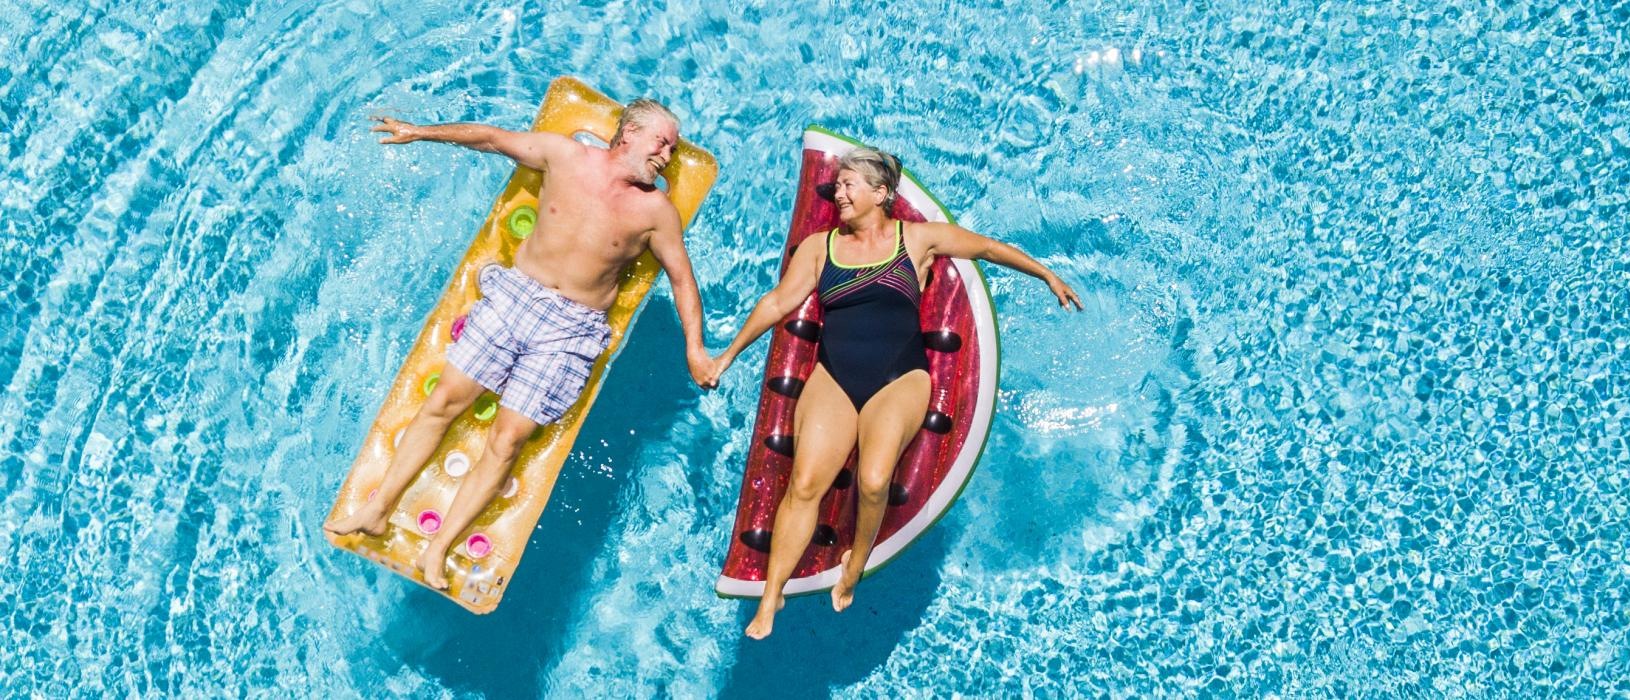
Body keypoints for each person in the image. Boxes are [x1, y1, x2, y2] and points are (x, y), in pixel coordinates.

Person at [325, 99, 713, 590]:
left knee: (506, 440)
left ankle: (438, 548)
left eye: (673, 149)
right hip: (515, 297)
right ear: (629, 132)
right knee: (444, 401)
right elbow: (491, 138)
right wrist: (419, 131)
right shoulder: (565, 156)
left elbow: (682, 279)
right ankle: (377, 510)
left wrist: (695, 349)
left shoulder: (656, 211)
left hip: (571, 329)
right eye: (661, 141)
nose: (666, 155)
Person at [705, 147, 1083, 639]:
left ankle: (856, 560)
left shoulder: (918, 240)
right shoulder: (821, 247)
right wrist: (727, 355)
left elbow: (987, 248)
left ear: (881, 194)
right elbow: (778, 301)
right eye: (836, 186)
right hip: (834, 375)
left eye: (849, 185)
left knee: (875, 480)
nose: (838, 193)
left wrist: (1046, 274)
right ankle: (772, 594)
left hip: (899, 377)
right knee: (803, 484)